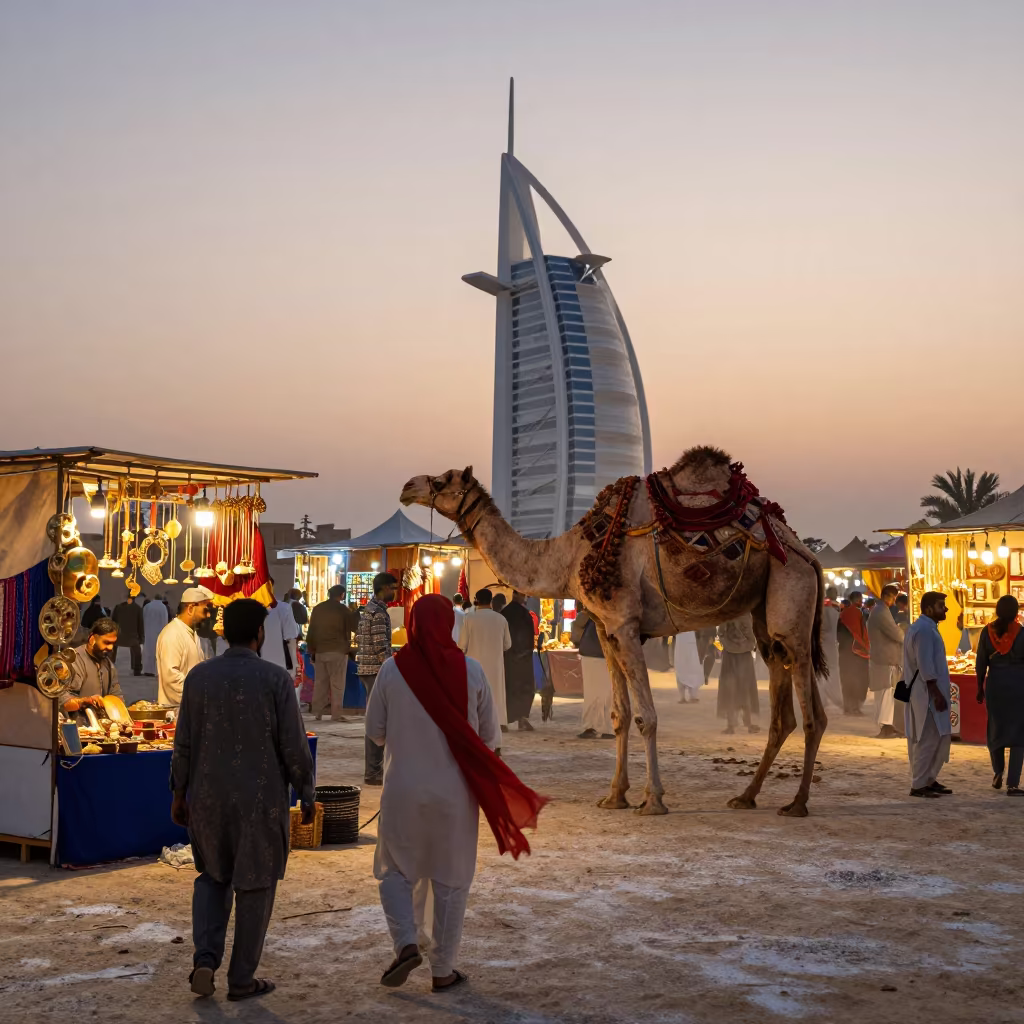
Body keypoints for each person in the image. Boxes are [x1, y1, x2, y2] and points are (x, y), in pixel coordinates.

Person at [366, 594, 546, 992]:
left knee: (395, 871)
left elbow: (374, 731)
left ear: (411, 624)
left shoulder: (391, 671)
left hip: (402, 792)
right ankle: (442, 971)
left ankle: (406, 944)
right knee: (450, 879)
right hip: (455, 795)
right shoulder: (473, 671)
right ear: (450, 624)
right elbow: (488, 738)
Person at [171, 598, 315, 1002]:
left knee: (212, 877)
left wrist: (178, 792)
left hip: (206, 798)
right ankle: (241, 979)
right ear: (259, 633)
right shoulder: (275, 679)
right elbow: (293, 745)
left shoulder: (199, 678)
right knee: (256, 885)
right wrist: (305, 792)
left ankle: (204, 960)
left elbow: (183, 742)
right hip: (260, 801)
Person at [902, 590, 952, 798]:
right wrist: (936, 693)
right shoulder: (923, 630)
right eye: (942, 605)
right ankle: (918, 784)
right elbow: (925, 665)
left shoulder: (927, 628)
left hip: (930, 692)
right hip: (927, 694)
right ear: (929, 608)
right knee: (928, 738)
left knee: (940, 737)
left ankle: (929, 778)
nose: (945, 609)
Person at [976, 595, 1024, 795]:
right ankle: (1012, 784)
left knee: (995, 729)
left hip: (995, 684)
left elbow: (980, 662)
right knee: (1019, 735)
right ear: (1015, 612)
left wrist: (980, 687)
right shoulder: (1022, 633)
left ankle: (998, 771)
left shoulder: (987, 632)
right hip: (1018, 685)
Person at [356, 572, 399, 784]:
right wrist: (393, 669)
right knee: (377, 722)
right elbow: (381, 647)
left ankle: (374, 771)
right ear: (383, 588)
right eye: (393, 588)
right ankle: (373, 772)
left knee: (374, 719)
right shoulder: (379, 613)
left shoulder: (368, 609)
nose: (395, 592)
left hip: (367, 669)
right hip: (376, 671)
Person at [458, 589, 511, 732]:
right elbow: (508, 644)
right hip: (495, 665)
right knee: (496, 693)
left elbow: (462, 645)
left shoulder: (469, 618)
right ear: (491, 601)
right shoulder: (501, 619)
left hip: (474, 664)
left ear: (476, 600)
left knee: (476, 695)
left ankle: (476, 722)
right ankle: (499, 721)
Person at [306, 584, 358, 721]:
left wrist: (311, 649)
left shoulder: (318, 608)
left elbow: (311, 630)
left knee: (320, 683)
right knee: (337, 684)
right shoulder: (343, 610)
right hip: (338, 651)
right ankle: (336, 714)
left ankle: (317, 713)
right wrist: (355, 612)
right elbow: (354, 627)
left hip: (321, 651)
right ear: (342, 595)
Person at [156, 586, 214, 706]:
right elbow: (171, 678)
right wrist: (199, 696)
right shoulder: (172, 634)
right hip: (177, 709)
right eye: (205, 610)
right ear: (191, 608)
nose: (208, 616)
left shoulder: (193, 634)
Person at [59, 617, 123, 711]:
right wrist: (84, 701)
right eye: (106, 642)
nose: (110, 647)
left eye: (113, 643)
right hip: (77, 723)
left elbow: (116, 695)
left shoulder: (108, 664)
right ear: (92, 639)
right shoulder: (75, 660)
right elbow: (63, 699)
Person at [868, 584, 907, 739]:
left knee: (884, 693)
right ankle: (886, 726)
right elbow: (896, 634)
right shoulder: (881, 612)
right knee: (887, 693)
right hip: (886, 658)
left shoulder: (878, 610)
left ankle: (887, 725)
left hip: (881, 657)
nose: (893, 601)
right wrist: (904, 631)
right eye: (893, 598)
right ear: (887, 596)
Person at [571, 608, 614, 739]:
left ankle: (602, 727)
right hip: (596, 654)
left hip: (603, 655)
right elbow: (578, 624)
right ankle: (598, 727)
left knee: (605, 693)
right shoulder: (590, 609)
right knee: (602, 693)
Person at [717, 616, 760, 734]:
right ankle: (746, 724)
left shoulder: (728, 612)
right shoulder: (745, 614)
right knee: (743, 688)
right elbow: (751, 636)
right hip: (742, 654)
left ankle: (733, 725)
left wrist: (727, 643)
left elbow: (721, 633)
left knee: (732, 688)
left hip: (732, 654)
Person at [502, 591, 536, 730]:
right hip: (522, 658)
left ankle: (504, 720)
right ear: (519, 595)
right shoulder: (525, 614)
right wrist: (526, 651)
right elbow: (529, 636)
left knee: (508, 688)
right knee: (524, 688)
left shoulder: (504, 613)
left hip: (508, 657)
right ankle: (521, 719)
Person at [837, 591, 870, 714]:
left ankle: (848, 707)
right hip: (857, 652)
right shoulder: (858, 613)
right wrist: (865, 647)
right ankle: (855, 708)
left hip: (844, 652)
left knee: (846, 679)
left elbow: (839, 634)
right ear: (858, 600)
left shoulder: (843, 613)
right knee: (859, 679)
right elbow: (862, 632)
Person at [816, 586, 844, 711]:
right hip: (828, 644)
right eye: (834, 592)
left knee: (827, 670)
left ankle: (826, 697)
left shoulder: (830, 608)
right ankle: (828, 697)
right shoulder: (829, 609)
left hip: (829, 644)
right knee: (830, 670)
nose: (836, 594)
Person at [261, 594, 300, 680]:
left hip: (247, 665)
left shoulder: (237, 606)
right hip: (277, 664)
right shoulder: (283, 608)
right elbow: (291, 639)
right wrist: (295, 663)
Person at [112, 595, 145, 677]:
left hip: (119, 635)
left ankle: (108, 668)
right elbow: (140, 624)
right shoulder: (137, 608)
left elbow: (113, 621)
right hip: (132, 636)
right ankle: (137, 670)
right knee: (137, 653)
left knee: (112, 651)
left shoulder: (118, 607)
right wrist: (141, 637)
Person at [141, 592, 168, 677]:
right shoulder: (163, 607)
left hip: (148, 631)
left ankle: (147, 670)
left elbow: (143, 618)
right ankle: (156, 670)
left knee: (147, 651)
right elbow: (165, 621)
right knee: (158, 652)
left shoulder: (147, 606)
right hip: (159, 632)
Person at [674, 632, 704, 703]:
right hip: (682, 643)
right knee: (683, 668)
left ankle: (691, 696)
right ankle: (683, 697)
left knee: (691, 667)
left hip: (690, 642)